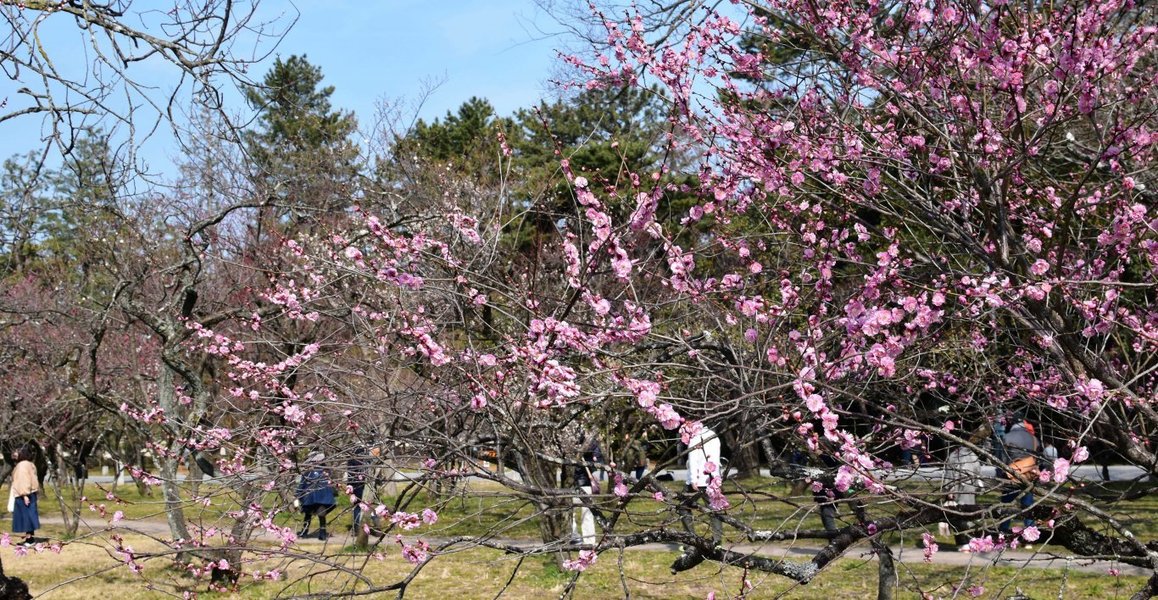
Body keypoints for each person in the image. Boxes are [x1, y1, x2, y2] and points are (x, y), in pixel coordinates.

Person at [943, 424, 989, 548]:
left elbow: (950, 474)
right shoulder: (969, 455)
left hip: (962, 490)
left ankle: (964, 542)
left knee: (961, 515)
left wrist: (949, 489)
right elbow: (977, 473)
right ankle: (966, 541)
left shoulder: (955, 455)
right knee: (965, 515)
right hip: (966, 489)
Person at [679, 424, 724, 545]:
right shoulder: (714, 436)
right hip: (712, 480)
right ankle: (717, 540)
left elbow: (693, 460)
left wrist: (694, 479)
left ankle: (691, 539)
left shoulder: (695, 438)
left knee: (683, 507)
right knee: (714, 509)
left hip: (698, 480)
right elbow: (716, 459)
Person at [999, 420, 1040, 534]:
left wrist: (1001, 474)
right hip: (1028, 476)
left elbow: (1002, 458)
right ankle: (1031, 532)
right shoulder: (1033, 438)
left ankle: (1003, 531)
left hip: (1011, 474)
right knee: (1028, 505)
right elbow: (1037, 457)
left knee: (1007, 504)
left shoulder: (1006, 437)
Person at [296, 451, 337, 541]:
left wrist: (298, 494)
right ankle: (316, 533)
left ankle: (308, 532)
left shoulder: (322, 472)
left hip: (315, 497)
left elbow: (302, 485)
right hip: (318, 497)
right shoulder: (324, 471)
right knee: (317, 515)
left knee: (313, 515)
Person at [572, 435, 603, 545]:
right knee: (587, 513)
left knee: (572, 512)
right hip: (585, 482)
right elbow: (598, 455)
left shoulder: (570, 444)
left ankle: (574, 536)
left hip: (577, 482)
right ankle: (588, 539)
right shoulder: (592, 443)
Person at [11, 447, 41, 546]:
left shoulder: (22, 466)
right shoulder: (30, 464)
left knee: (26, 518)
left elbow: (23, 480)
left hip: (25, 494)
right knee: (29, 516)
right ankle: (30, 539)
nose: (15, 455)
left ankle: (30, 540)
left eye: (17, 453)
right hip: (30, 493)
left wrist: (24, 495)